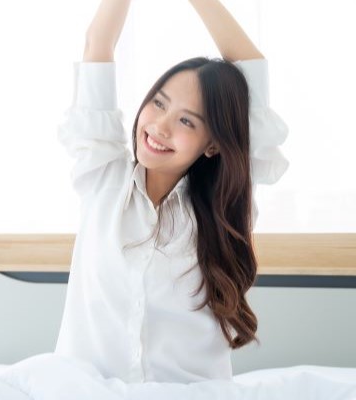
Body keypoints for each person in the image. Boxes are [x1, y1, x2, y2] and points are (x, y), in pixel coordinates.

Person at [54, 0, 290, 384]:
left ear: (212, 144)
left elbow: (251, 64)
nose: (160, 126)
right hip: (86, 390)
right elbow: (98, 42)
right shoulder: (103, 177)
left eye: (186, 120)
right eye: (159, 103)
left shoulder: (226, 206)